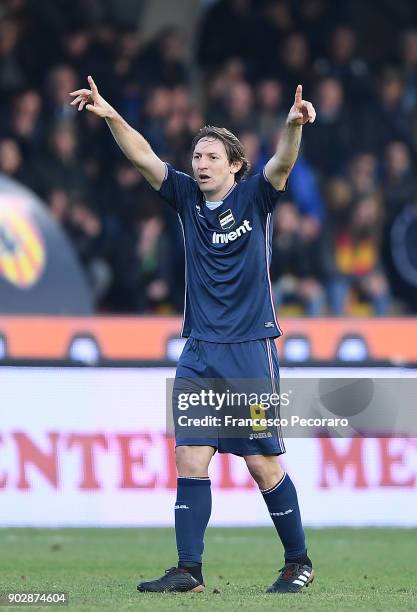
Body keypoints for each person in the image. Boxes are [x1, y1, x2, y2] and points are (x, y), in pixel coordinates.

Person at [70, 76, 316, 594]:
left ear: (234, 165)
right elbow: (143, 157)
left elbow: (283, 163)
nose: (200, 163)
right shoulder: (185, 198)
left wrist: (292, 127)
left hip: (250, 348)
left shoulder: (255, 197)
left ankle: (298, 562)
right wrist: (112, 114)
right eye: (196, 155)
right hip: (200, 350)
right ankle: (189, 569)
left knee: (261, 463)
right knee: (190, 456)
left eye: (210, 156)